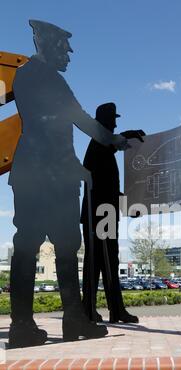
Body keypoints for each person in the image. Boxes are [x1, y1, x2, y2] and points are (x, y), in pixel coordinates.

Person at [8, 20, 128, 348]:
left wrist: (112, 141)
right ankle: (69, 320)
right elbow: (74, 120)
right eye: (64, 48)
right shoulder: (45, 78)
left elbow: (64, 124)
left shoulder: (29, 76)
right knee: (57, 247)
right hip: (50, 177)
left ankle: (27, 325)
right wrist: (111, 142)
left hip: (32, 174)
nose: (69, 55)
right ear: (46, 43)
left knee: (35, 246)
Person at [81, 102, 145, 323]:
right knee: (101, 260)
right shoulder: (99, 142)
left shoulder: (100, 145)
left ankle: (98, 309)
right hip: (100, 214)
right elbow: (104, 188)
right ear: (103, 121)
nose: (115, 122)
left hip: (101, 212)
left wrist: (127, 207)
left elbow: (108, 188)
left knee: (103, 260)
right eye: (112, 118)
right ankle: (99, 310)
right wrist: (128, 135)